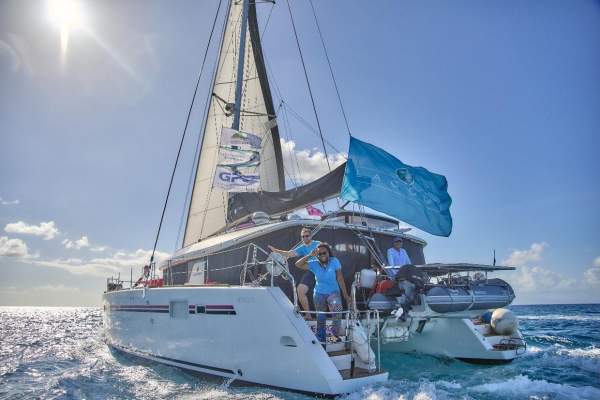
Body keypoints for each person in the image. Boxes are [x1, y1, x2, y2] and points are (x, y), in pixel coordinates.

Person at [295, 243, 351, 343]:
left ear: (328, 253)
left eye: (324, 252)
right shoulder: (313, 263)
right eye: (319, 254)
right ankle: (321, 337)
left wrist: (346, 295)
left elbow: (340, 278)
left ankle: (334, 336)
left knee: (337, 313)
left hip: (333, 292)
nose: (322, 255)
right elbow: (297, 264)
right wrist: (309, 255)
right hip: (319, 293)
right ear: (316, 255)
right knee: (321, 316)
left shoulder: (334, 261)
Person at [268, 227, 319, 319]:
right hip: (311, 271)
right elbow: (288, 254)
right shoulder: (302, 248)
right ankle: (308, 315)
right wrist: (275, 250)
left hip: (323, 271)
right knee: (300, 290)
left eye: (306, 236)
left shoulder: (318, 244)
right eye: (302, 237)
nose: (304, 238)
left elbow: (327, 255)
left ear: (311, 236)